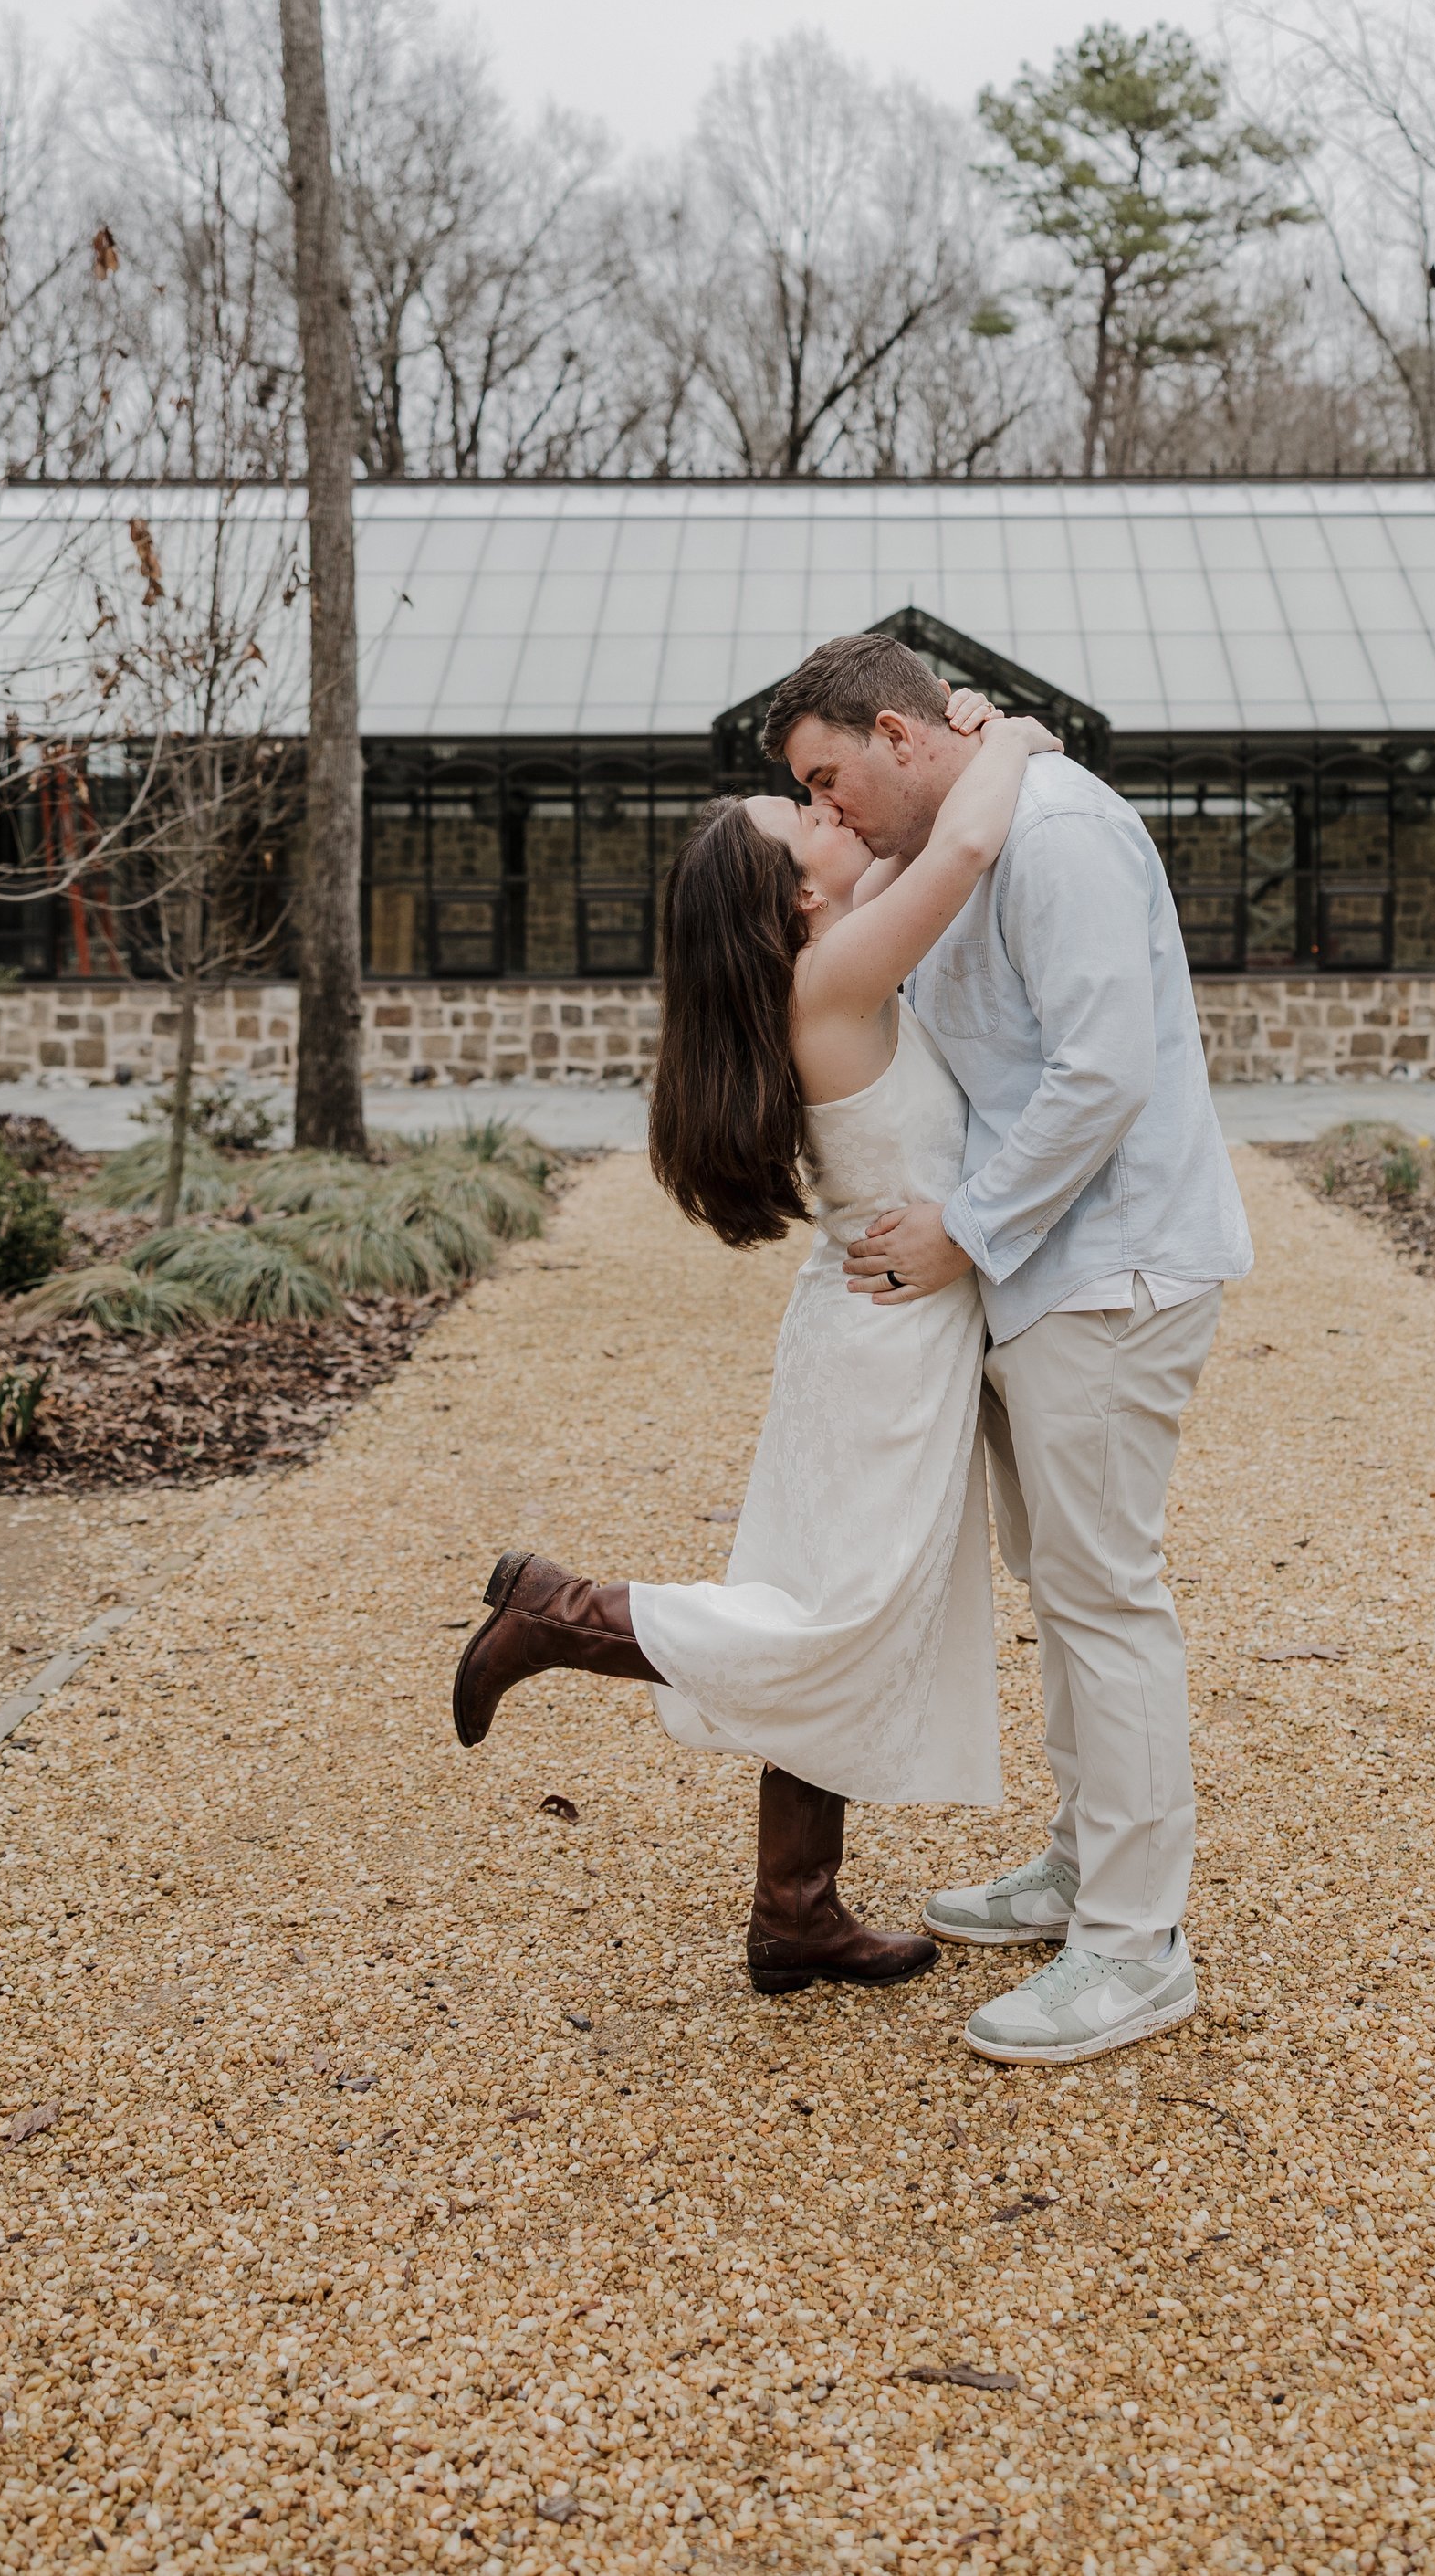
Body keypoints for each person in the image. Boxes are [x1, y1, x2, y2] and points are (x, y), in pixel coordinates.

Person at [449, 683, 1061, 2000]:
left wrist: (946, 737)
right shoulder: (836, 969)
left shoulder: (836, 944)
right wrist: (1012, 739)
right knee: (837, 1621)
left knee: (814, 1603)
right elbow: (953, 847)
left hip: (864, 1331)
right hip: (886, 1348)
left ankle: (796, 1910)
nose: (823, 806)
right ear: (794, 899)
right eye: (800, 812)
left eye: (814, 788)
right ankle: (563, 1613)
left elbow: (910, 833)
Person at [766, 633, 1252, 2068]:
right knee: (1069, 1586)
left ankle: (1137, 1943)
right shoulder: (964, 841)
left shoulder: (1062, 838)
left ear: (905, 738)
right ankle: (1080, 1870)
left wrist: (963, 1230)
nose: (831, 813)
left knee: (1108, 1595)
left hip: (1111, 1270)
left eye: (830, 777)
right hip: (1041, 1278)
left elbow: (1103, 1073)